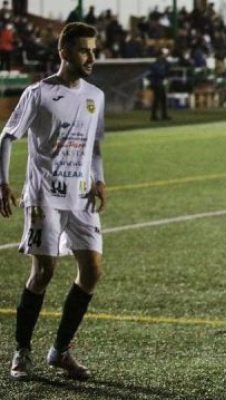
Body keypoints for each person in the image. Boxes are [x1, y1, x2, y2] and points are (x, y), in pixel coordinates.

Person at [2, 22, 107, 381]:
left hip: (81, 198)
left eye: (93, 50)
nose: (91, 56)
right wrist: (2, 183)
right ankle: (21, 352)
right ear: (64, 52)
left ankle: (60, 351)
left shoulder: (95, 95)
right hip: (45, 197)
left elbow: (93, 144)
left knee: (92, 270)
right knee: (44, 272)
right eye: (84, 50)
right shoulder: (39, 93)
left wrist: (100, 179)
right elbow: (7, 136)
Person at [149, 47, 171, 121]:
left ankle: (162, 115)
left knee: (162, 100)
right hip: (157, 83)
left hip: (159, 83)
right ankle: (155, 116)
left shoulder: (162, 63)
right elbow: (161, 73)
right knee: (158, 100)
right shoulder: (157, 64)